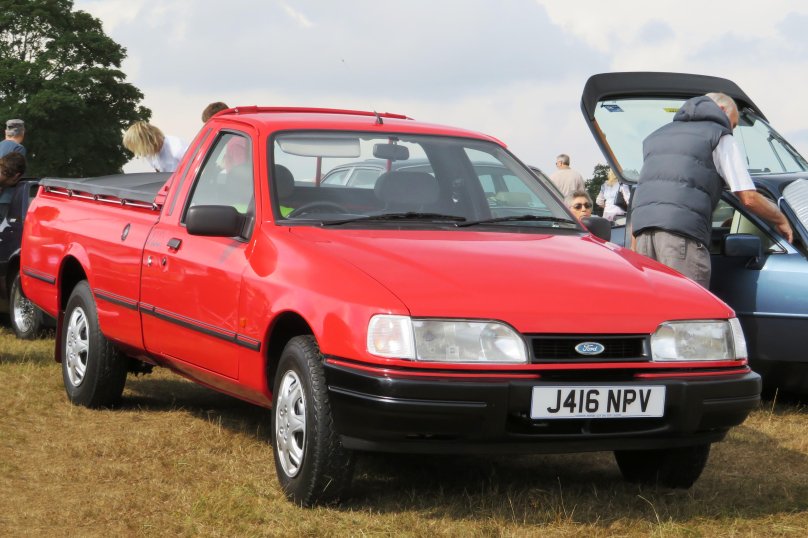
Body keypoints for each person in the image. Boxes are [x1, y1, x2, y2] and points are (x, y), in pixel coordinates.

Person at [632, 92, 793, 288]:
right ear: (723, 110)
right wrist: (781, 219)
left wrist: (634, 246)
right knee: (690, 312)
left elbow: (643, 196)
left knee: (656, 311)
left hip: (642, 237)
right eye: (733, 124)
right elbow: (748, 197)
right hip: (682, 238)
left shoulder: (656, 136)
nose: (731, 130)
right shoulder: (719, 135)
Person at [123, 121, 188, 173]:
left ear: (147, 142)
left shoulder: (177, 148)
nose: (139, 153)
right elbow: (159, 173)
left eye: (137, 148)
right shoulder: (150, 153)